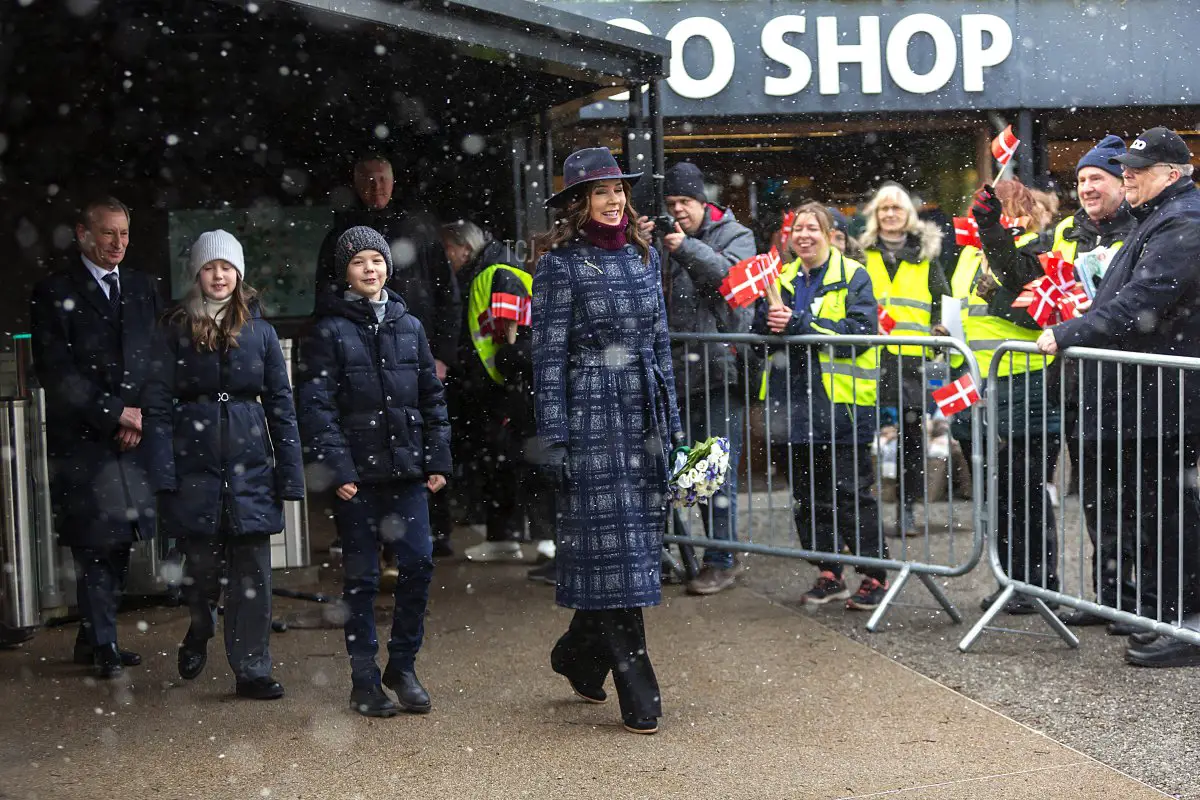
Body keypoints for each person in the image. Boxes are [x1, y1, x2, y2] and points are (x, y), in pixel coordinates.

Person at [532, 147, 683, 735]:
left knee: (631, 557)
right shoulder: (560, 265)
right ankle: (639, 690)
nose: (614, 200)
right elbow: (547, 360)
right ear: (578, 203)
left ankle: (576, 652)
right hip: (591, 415)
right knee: (616, 556)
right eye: (600, 192)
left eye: (618, 189)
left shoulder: (644, 257)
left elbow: (660, 345)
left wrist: (671, 428)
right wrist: (556, 439)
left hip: (641, 419)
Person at [1037, 127, 1200, 668]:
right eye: (1125, 169)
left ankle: (1184, 623)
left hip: (1171, 401)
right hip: (1153, 401)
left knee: (1173, 515)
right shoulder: (1159, 216)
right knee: (1158, 513)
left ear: (1173, 173)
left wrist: (1070, 332)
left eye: (1138, 170)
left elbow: (1145, 298)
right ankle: (1168, 616)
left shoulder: (1183, 220)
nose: (1126, 176)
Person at [142, 230, 303, 700]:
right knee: (201, 572)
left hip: (250, 468)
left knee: (253, 573)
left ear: (239, 274)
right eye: (210, 267)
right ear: (197, 273)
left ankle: (252, 667)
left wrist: (290, 472)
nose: (219, 275)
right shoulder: (172, 329)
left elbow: (281, 405)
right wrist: (163, 473)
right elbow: (156, 405)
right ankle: (199, 627)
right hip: (194, 466)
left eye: (227, 267)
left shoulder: (261, 332)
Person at [298, 226, 451, 716]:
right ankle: (363, 677)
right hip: (356, 481)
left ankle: (402, 666)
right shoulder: (327, 330)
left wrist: (437, 459)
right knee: (361, 579)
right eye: (359, 261)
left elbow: (432, 397)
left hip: (406, 473)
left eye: (377, 260)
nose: (370, 268)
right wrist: (337, 468)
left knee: (419, 564)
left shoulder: (410, 325)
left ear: (388, 266)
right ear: (345, 270)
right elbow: (316, 406)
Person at [29, 197, 161, 679]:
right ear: (82, 234)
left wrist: (140, 414)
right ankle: (104, 641)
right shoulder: (54, 291)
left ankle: (92, 634)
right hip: (85, 440)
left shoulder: (144, 287)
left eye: (124, 233)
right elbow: (56, 372)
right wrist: (114, 415)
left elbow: (155, 357)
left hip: (134, 436)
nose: (117, 243)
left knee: (122, 538)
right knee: (94, 542)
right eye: (108, 233)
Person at [753, 202, 890, 610]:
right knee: (808, 496)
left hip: (842, 405)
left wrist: (799, 324)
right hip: (793, 405)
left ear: (831, 235)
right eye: (797, 229)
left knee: (851, 492)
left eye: (813, 228)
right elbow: (762, 330)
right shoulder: (782, 277)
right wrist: (765, 322)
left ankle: (874, 573)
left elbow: (860, 332)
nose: (804, 236)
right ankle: (829, 571)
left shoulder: (854, 275)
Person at [633, 162, 755, 596]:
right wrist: (641, 243)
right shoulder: (663, 241)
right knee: (682, 465)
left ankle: (721, 557)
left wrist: (684, 247)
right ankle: (686, 552)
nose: (678, 210)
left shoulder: (735, 235)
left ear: (703, 202)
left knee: (715, 466)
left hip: (718, 370)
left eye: (685, 202)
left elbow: (731, 281)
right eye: (671, 204)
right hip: (676, 371)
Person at [952, 178, 1060, 614]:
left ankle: (1036, 581)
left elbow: (1039, 315)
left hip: (1027, 384)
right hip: (978, 386)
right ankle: (1011, 578)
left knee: (1026, 491)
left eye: (997, 208)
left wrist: (997, 298)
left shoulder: (1037, 249)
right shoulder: (967, 254)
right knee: (997, 494)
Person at [1044, 135, 1138, 630]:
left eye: (1095, 178)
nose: (1085, 188)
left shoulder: (1143, 227)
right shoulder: (1066, 231)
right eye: (1080, 180)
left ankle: (1141, 599)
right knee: (1098, 497)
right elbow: (1035, 282)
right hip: (1079, 385)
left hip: (1127, 383)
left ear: (1122, 182)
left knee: (1132, 497)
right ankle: (1110, 595)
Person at [441, 221, 554, 568]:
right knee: (504, 463)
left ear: (463, 247)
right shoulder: (486, 269)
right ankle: (510, 537)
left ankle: (541, 540)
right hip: (496, 386)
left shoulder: (497, 271)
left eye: (447, 250)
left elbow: (513, 333)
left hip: (507, 388)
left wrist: (506, 368)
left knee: (524, 464)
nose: (445, 259)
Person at [315, 154, 461, 380]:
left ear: (393, 181)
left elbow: (447, 293)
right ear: (357, 184)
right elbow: (325, 298)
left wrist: (443, 355)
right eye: (369, 180)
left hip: (418, 348)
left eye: (383, 179)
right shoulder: (340, 236)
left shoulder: (420, 231)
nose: (377, 187)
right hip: (358, 354)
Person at [858, 183, 949, 538]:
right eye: (884, 209)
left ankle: (906, 511)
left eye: (896, 208)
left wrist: (938, 326)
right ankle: (865, 508)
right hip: (871, 360)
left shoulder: (926, 255)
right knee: (866, 436)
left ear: (908, 214)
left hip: (911, 362)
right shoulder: (862, 254)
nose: (890, 214)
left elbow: (942, 300)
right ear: (875, 215)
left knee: (912, 440)